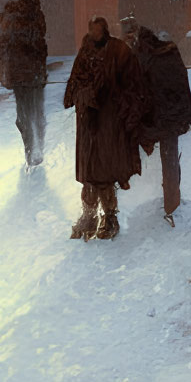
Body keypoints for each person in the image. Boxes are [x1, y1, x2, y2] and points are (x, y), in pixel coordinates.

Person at [63, 15, 147, 240]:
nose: (94, 34)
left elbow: (133, 83)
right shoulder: (85, 52)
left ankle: (109, 216)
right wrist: (84, 94)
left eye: (98, 30)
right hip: (88, 122)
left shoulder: (118, 51)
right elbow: (74, 84)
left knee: (105, 171)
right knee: (90, 171)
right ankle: (89, 214)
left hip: (109, 121)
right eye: (92, 30)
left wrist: (116, 101)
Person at [126, 18, 191, 226]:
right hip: (173, 116)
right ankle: (172, 204)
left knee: (138, 154)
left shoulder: (143, 56)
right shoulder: (170, 52)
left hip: (158, 116)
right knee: (170, 161)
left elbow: (138, 89)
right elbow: (181, 82)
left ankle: (164, 205)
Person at [0, 0, 48, 167]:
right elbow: (39, 45)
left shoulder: (14, 18)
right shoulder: (33, 17)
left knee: (26, 115)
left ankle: (31, 151)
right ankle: (36, 149)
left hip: (23, 75)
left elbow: (5, 46)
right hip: (31, 75)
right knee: (34, 114)